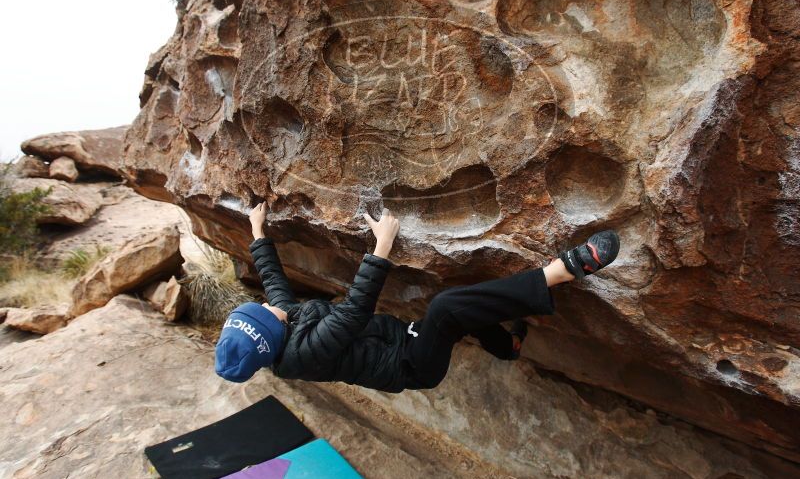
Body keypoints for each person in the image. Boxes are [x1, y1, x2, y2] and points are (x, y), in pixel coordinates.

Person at [214, 203, 620, 392]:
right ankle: (562, 270)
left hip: (399, 337)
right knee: (445, 309)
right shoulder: (302, 356)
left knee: (464, 312)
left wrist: (256, 230)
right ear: (272, 338)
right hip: (410, 366)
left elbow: (274, 283)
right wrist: (382, 245)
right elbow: (354, 313)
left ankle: (508, 345)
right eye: (266, 313)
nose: (270, 305)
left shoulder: (280, 325)